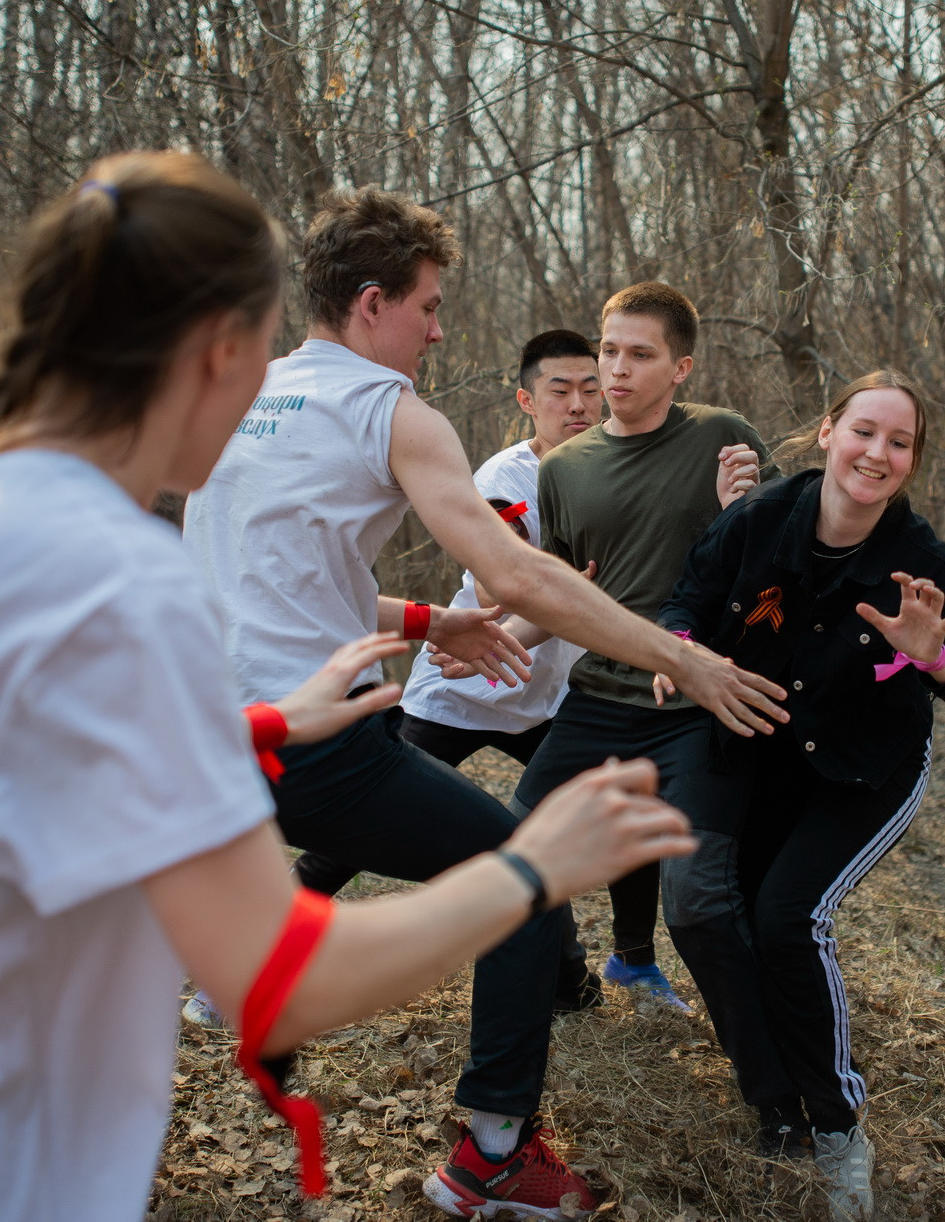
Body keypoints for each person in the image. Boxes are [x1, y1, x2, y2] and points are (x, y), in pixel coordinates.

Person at [0, 153, 695, 1222]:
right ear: (217, 352)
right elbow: (280, 977)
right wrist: (533, 867)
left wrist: (253, 724)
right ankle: (493, 1154)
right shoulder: (113, 582)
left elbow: (13, 777)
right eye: (263, 355)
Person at [179, 195, 787, 1220]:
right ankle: (494, 1153)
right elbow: (522, 573)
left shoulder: (248, 394)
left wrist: (428, 620)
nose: (438, 326)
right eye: (427, 304)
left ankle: (251, 982)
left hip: (209, 736)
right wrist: (674, 656)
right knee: (527, 879)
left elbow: (266, 579)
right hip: (315, 736)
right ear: (372, 303)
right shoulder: (391, 410)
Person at [652, 370, 945, 1221]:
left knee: (785, 917)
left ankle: (839, 1127)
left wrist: (936, 657)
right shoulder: (762, 515)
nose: (877, 453)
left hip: (862, 766)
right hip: (751, 738)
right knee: (707, 907)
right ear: (826, 433)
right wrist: (677, 651)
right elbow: (689, 601)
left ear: (912, 460)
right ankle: (773, 1102)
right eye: (864, 431)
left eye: (899, 442)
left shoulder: (917, 562)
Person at [500, 281, 772, 1015]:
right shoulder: (563, 468)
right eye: (609, 350)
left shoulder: (724, 436)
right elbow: (562, 593)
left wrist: (738, 514)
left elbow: (779, 577)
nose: (616, 370)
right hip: (599, 698)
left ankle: (757, 1027)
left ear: (680, 368)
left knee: (697, 895)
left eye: (639, 355)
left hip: (693, 696)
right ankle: (567, 987)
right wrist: (495, 638)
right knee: (514, 848)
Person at [397, 330, 599, 771]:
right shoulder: (506, 482)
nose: (578, 405)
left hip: (548, 696)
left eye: (590, 389)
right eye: (560, 392)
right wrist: (567, 580)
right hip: (462, 682)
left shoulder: (613, 472)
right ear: (526, 401)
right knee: (379, 820)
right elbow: (494, 592)